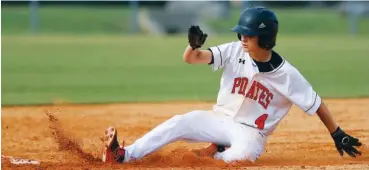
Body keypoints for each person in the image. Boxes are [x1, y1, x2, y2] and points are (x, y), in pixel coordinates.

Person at [102, 6, 362, 164]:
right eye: (242, 34)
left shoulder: (288, 74)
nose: (243, 38)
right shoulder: (233, 50)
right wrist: (192, 46)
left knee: (239, 158)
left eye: (248, 35)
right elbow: (192, 59)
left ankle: (212, 155)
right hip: (219, 119)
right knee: (180, 121)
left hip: (250, 133)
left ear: (265, 39)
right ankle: (125, 155)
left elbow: (315, 102)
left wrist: (336, 133)